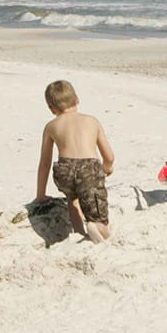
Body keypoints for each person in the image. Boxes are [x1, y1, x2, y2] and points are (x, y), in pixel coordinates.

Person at [35, 80, 115, 242]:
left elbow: (45, 163)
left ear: (51, 109)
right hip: (89, 169)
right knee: (97, 209)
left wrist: (40, 195)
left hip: (65, 169)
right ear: (77, 99)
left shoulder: (51, 126)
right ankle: (97, 226)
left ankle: (78, 231)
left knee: (72, 197)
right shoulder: (91, 121)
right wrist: (107, 168)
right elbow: (109, 156)